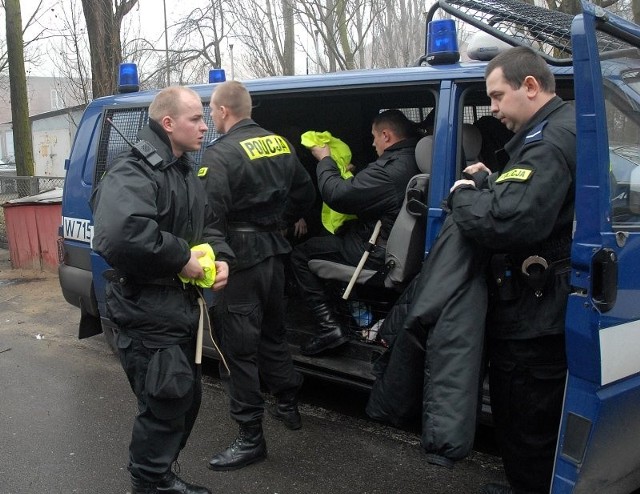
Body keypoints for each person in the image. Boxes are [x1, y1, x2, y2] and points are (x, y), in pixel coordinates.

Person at [448, 46, 576, 494]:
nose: (494, 108)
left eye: (498, 96)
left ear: (531, 86)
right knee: (537, 416)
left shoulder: (547, 143)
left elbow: (509, 221)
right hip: (547, 303)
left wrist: (463, 194)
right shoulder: (563, 126)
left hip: (534, 314)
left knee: (525, 416)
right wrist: (491, 182)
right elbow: (535, 200)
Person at [90, 86, 231, 494]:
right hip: (146, 306)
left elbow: (204, 226)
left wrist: (219, 257)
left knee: (183, 400)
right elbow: (119, 234)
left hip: (175, 304)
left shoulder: (180, 167)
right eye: (195, 119)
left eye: (205, 118)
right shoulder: (134, 169)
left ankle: (159, 475)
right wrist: (180, 257)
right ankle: (149, 483)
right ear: (168, 123)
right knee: (165, 401)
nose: (206, 126)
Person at [200, 81, 316, 471]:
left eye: (212, 112)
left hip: (240, 262)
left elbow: (209, 217)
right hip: (274, 255)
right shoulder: (280, 144)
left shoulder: (220, 155)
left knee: (239, 351)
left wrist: (218, 257)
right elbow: (305, 193)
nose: (210, 118)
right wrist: (281, 221)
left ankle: (251, 437)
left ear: (224, 111)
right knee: (273, 335)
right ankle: (288, 404)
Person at [290, 109, 420, 356]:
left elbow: (337, 196)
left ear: (386, 135)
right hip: (388, 244)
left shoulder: (388, 170)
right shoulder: (414, 158)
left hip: (372, 254)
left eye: (374, 137)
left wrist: (325, 160)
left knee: (301, 255)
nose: (372, 143)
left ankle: (329, 329)